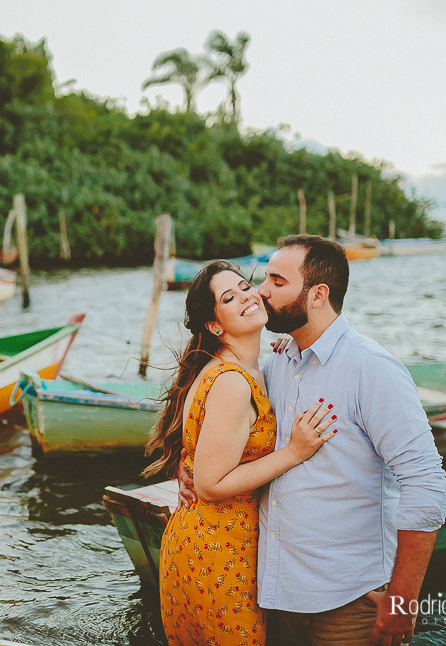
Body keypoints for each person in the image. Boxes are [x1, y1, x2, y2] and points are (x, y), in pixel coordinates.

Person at [180, 235, 446, 645]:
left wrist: (403, 603)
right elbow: (234, 438)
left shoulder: (370, 368)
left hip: (346, 600)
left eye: (276, 281)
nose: (261, 291)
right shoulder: (275, 364)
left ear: (318, 294)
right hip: (276, 594)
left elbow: (426, 486)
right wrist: (188, 467)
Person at [144, 259, 338, 645]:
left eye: (245, 287)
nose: (247, 296)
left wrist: (287, 347)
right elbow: (211, 484)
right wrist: (294, 452)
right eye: (229, 298)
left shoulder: (243, 367)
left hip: (205, 542)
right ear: (215, 325)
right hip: (217, 552)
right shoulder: (232, 383)